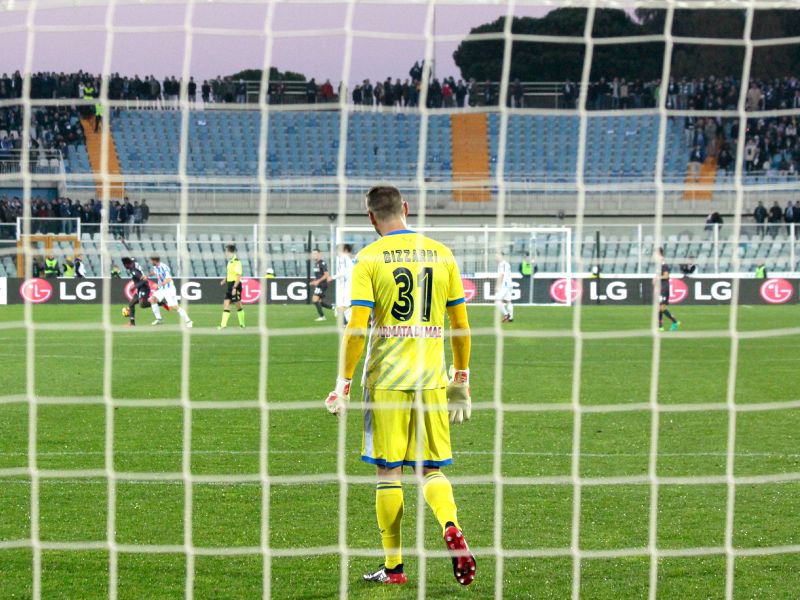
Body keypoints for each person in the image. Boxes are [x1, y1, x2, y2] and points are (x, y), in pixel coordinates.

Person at [323, 185, 476, 587]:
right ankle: (450, 525)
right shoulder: (442, 254)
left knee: (388, 472)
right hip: (431, 381)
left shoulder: (369, 258)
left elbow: (357, 329)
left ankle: (394, 569)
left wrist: (342, 384)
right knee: (430, 470)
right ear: (406, 209)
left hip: (386, 381)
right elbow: (460, 325)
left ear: (371, 218)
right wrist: (460, 379)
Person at [121, 256, 169, 327]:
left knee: (142, 305)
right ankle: (132, 324)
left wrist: (135, 286)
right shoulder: (133, 263)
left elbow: (144, 280)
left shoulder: (133, 270)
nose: (125, 267)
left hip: (144, 288)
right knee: (131, 303)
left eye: (124, 265)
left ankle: (161, 303)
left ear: (127, 264)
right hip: (140, 288)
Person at [149, 255, 193, 327]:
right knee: (152, 299)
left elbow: (169, 279)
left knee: (174, 307)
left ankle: (189, 321)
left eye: (151, 260)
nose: (150, 262)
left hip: (169, 289)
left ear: (155, 261)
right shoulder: (156, 267)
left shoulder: (164, 267)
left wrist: (159, 285)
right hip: (162, 289)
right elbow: (154, 272)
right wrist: (147, 276)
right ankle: (159, 319)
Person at [218, 244, 244, 330]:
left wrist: (234, 288)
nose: (226, 253)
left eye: (226, 251)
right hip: (229, 285)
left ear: (230, 252)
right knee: (226, 304)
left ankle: (242, 324)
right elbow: (230, 273)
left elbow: (238, 275)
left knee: (238, 306)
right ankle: (223, 325)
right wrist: (225, 280)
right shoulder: (230, 261)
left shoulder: (236, 262)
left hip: (235, 285)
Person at [656, 247, 680, 332]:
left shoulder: (664, 265)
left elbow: (666, 276)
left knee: (662, 307)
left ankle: (674, 322)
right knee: (660, 307)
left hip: (664, 287)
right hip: (661, 287)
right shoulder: (659, 265)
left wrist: (657, 277)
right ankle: (660, 326)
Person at [331, 243, 355, 326]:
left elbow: (343, 272)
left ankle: (345, 324)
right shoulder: (348, 259)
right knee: (346, 307)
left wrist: (333, 277)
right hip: (348, 286)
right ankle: (347, 324)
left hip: (347, 287)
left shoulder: (344, 258)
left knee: (342, 307)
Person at [309, 248, 332, 321]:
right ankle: (334, 308)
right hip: (319, 284)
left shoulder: (322, 263)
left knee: (315, 299)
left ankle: (322, 317)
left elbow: (326, 275)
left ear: (319, 254)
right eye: (313, 254)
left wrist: (318, 281)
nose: (314, 255)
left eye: (315, 253)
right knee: (319, 301)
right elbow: (319, 275)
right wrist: (314, 281)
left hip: (322, 284)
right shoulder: (316, 264)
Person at [495, 251, 514, 323]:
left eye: (497, 256)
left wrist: (498, 286)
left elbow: (501, 275)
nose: (496, 258)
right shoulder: (507, 264)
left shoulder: (501, 264)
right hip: (509, 284)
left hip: (504, 284)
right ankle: (511, 318)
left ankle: (506, 314)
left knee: (497, 300)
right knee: (509, 301)